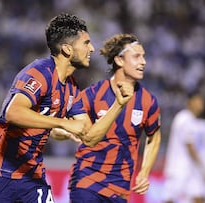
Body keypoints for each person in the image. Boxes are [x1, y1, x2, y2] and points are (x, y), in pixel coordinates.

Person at [0, 13, 134, 203]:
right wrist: (63, 123)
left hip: (31, 176)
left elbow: (89, 136)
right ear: (67, 49)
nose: (91, 48)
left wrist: (118, 105)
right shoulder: (40, 72)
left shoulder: (71, 88)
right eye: (86, 43)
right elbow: (12, 112)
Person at [67, 33, 162, 203]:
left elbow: (154, 137)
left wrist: (144, 172)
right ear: (119, 60)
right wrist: (63, 131)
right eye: (136, 56)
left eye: (144, 56)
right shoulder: (93, 94)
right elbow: (68, 125)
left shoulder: (148, 101)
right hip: (87, 180)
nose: (143, 62)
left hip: (119, 187)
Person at [163, 92, 205, 203]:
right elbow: (190, 146)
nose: (201, 104)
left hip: (190, 169)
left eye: (202, 101)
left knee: (198, 197)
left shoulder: (193, 120)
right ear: (190, 102)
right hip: (178, 167)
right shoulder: (184, 118)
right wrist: (203, 167)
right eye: (198, 101)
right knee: (170, 199)